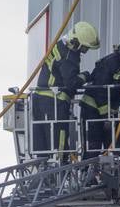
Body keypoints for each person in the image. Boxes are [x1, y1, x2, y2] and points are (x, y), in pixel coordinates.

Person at [31, 21, 100, 157]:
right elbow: (71, 83)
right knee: (59, 143)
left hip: (41, 100)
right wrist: (85, 76)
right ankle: (59, 171)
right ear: (76, 42)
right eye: (84, 48)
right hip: (54, 103)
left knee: (43, 146)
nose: (84, 52)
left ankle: (45, 173)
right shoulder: (69, 56)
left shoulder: (59, 46)